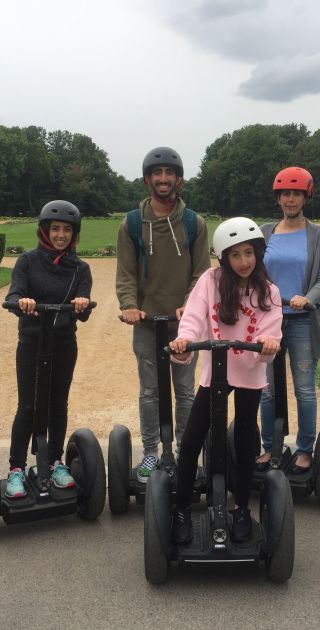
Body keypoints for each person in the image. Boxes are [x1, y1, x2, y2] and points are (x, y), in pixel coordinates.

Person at [169, 217, 282, 544]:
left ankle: (242, 507)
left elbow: (270, 329)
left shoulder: (268, 291)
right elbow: (193, 317)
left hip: (248, 373)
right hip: (214, 372)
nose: (244, 262)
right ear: (224, 258)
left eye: (249, 253)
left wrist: (269, 343)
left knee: (247, 441)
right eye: (235, 255)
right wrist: (184, 340)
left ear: (258, 252)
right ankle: (181, 508)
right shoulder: (211, 280)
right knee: (191, 442)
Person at [116, 147, 211, 483]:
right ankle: (151, 455)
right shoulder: (131, 224)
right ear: (147, 180)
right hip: (145, 322)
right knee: (149, 392)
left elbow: (201, 273)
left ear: (179, 179)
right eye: (157, 174)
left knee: (185, 391)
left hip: (184, 324)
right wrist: (129, 305)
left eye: (170, 173)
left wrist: (191, 305)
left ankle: (187, 452)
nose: (163, 179)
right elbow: (126, 273)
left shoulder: (193, 223)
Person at [3, 200, 93, 498]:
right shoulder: (28, 262)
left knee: (58, 403)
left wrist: (81, 303)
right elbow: (14, 295)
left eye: (67, 230)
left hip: (63, 342)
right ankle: (16, 468)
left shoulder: (80, 268)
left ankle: (55, 462)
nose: (61, 235)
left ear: (74, 234)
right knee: (28, 404)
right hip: (31, 341)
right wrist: (23, 302)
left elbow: (84, 306)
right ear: (44, 231)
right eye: (55, 229)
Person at [256, 166, 320, 473]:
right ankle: (270, 447)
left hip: (302, 319)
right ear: (278, 198)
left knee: (304, 388)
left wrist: (307, 298)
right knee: (267, 389)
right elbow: (254, 271)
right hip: (269, 321)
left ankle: (304, 449)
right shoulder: (265, 232)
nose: (290, 200)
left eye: (296, 194)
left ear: (306, 196)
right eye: (285, 194)